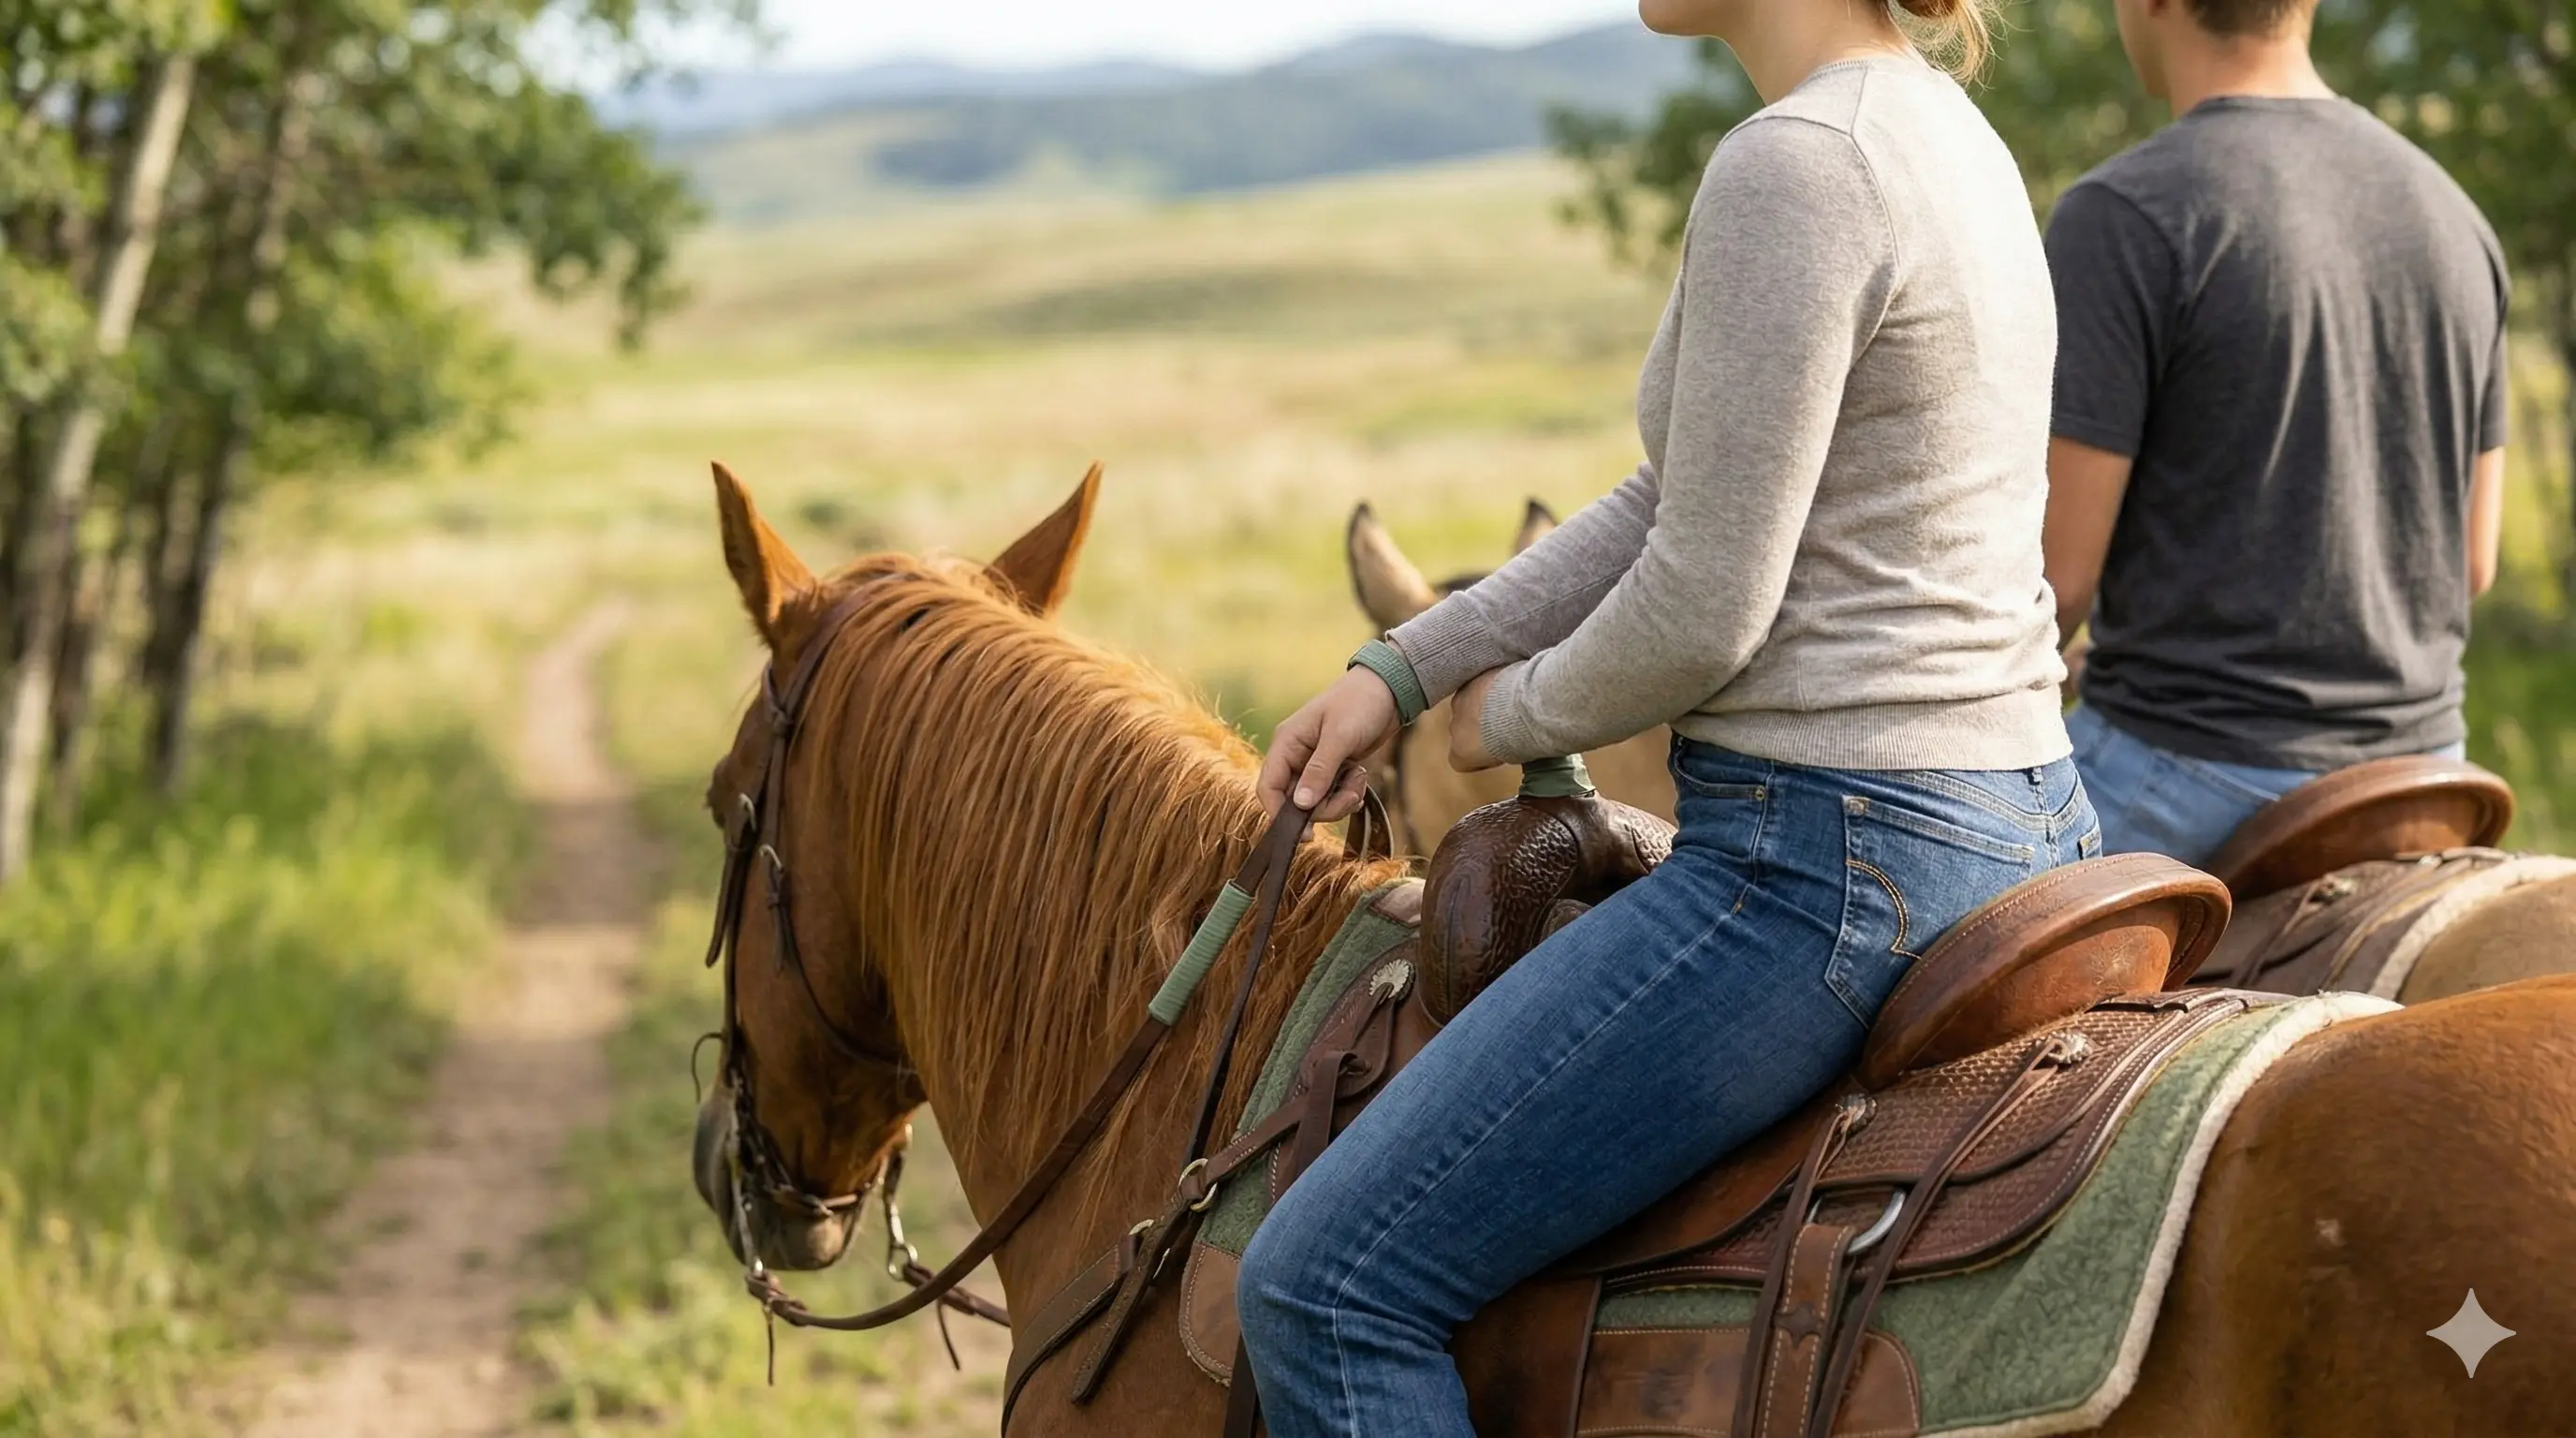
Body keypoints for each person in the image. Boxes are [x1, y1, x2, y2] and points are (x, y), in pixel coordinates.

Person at [1234, 0, 2097, 1431]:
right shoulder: (1947, 135)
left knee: (1324, 1282)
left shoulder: (1796, 163)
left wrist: (1509, 712)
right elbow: (1668, 498)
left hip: (1823, 869)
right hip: (2028, 821)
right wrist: (1402, 665)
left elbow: (1705, 604)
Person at [2042, 0, 2511, 864]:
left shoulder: (2123, 215)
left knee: (1922, 962)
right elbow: (2470, 563)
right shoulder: (2455, 215)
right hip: (2426, 776)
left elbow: (2057, 585)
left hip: (2185, 784)